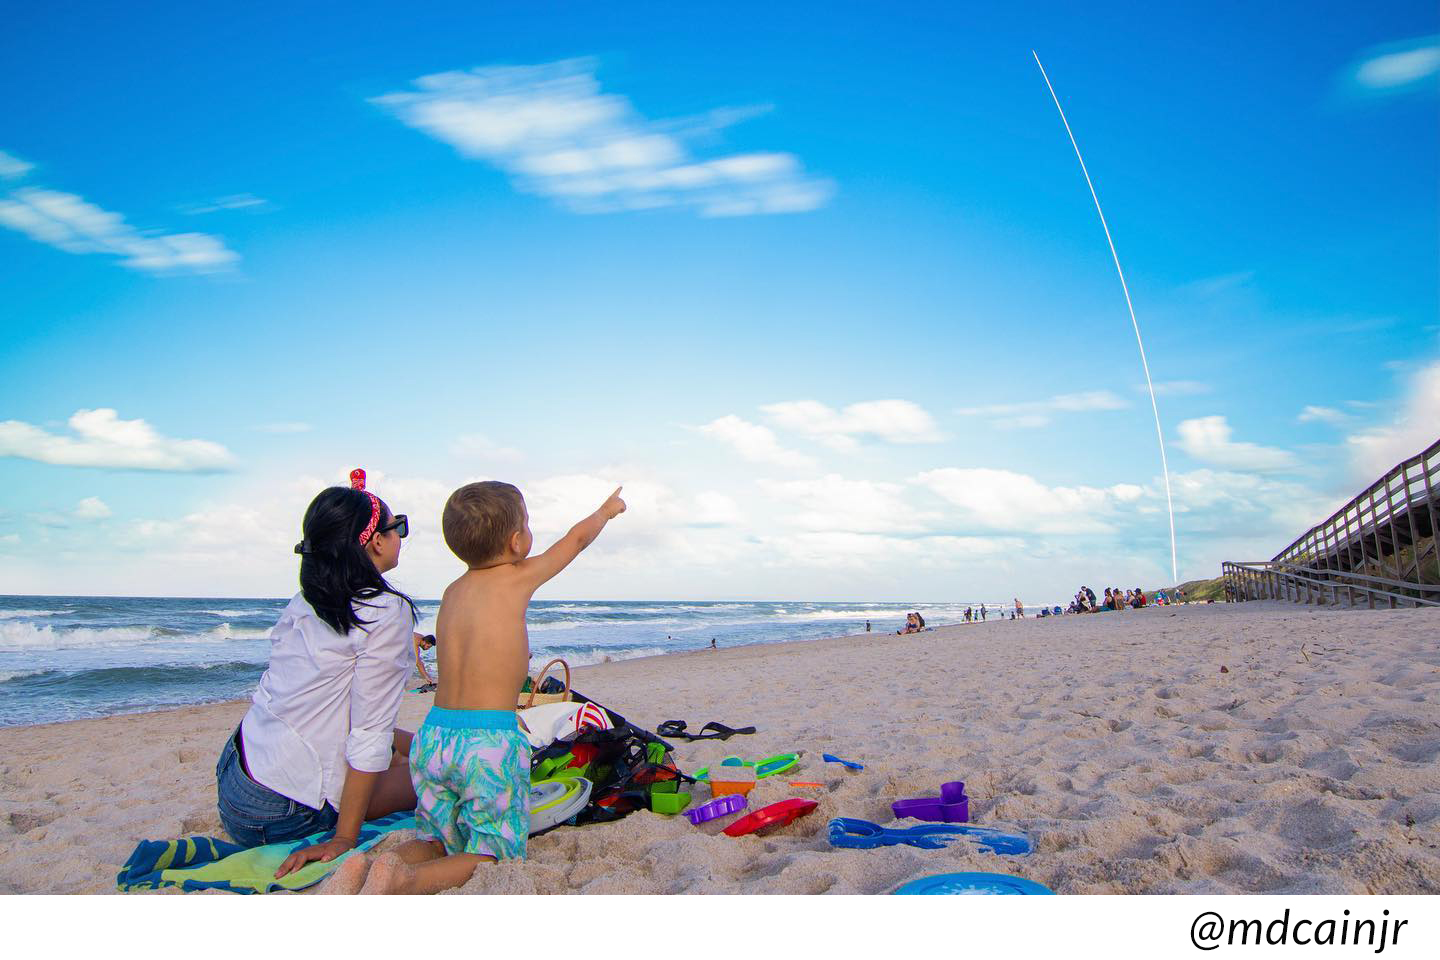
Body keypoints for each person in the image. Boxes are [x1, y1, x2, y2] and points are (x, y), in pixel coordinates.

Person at [330, 481, 626, 895]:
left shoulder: (453, 592)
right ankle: (404, 881)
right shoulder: (517, 578)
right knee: (495, 851)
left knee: (436, 839)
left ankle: (373, 869)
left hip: (433, 738)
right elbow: (575, 541)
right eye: (525, 522)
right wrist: (606, 511)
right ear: (516, 539)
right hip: (487, 741)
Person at [216, 472, 423, 876]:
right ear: (375, 541)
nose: (399, 535)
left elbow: (336, 716)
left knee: (418, 751)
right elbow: (368, 733)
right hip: (283, 812)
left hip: (237, 779)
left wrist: (416, 744)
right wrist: (344, 838)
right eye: (397, 527)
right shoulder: (384, 611)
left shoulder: (307, 599)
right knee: (443, 768)